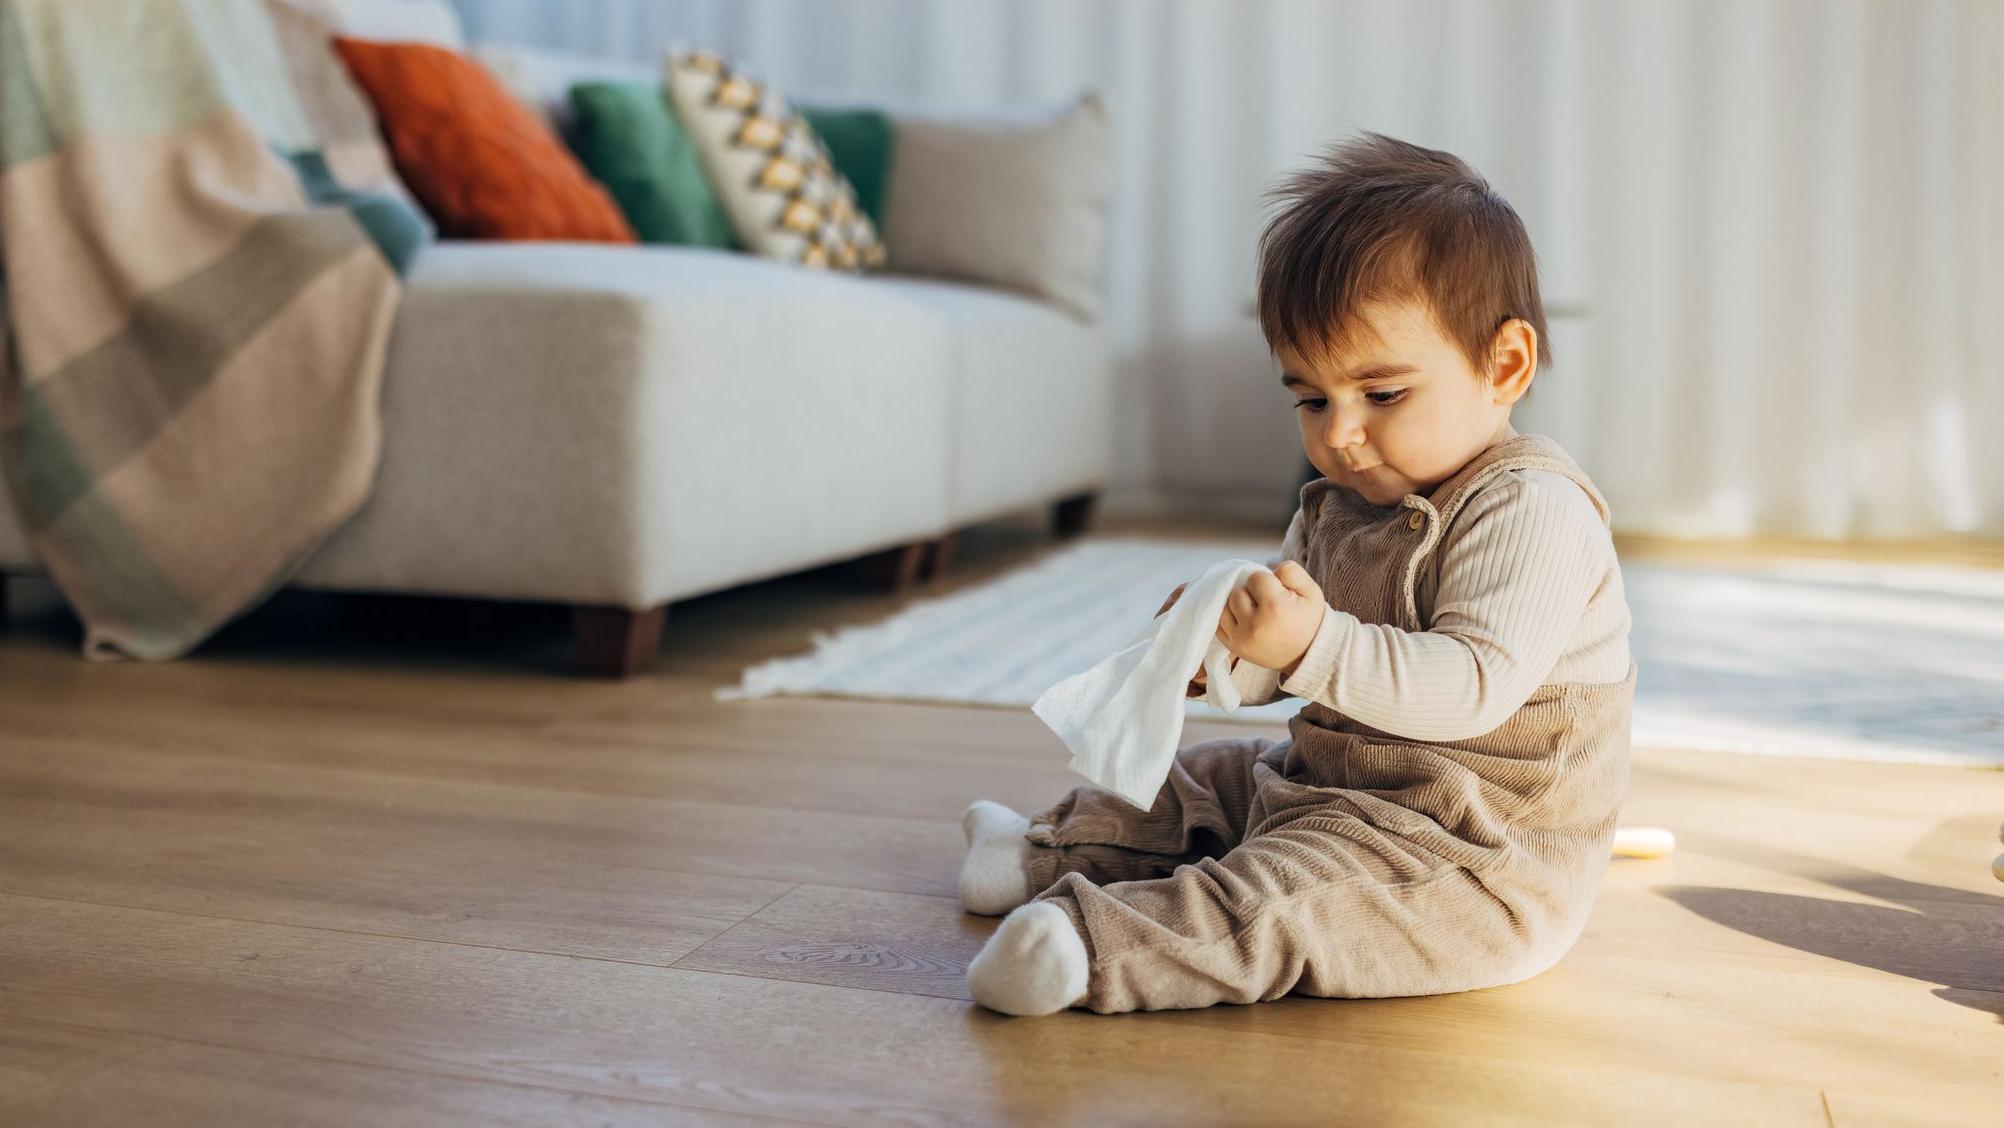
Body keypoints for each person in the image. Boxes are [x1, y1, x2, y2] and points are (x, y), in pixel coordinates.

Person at [957, 131, 1637, 1016]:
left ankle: (1092, 949)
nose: (1339, 434)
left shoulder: (1534, 512)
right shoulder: (1337, 505)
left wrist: (1314, 643)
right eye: (1311, 399)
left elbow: (1470, 685)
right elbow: (1295, 667)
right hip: (1339, 780)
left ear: (1502, 365)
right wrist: (1232, 652)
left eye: (1382, 395)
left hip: (1473, 853)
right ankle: (1037, 851)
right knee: (1217, 779)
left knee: (1291, 893)